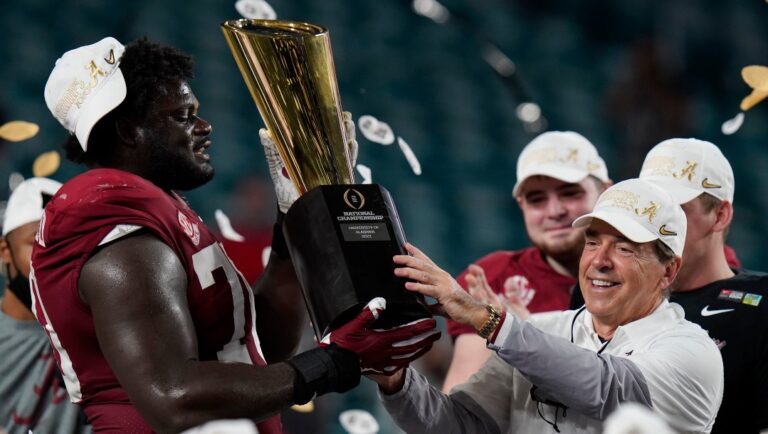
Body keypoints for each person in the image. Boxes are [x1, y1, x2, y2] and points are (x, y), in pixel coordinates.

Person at [32, 37, 439, 433]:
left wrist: (291, 227)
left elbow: (253, 352)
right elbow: (173, 399)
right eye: (183, 116)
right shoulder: (118, 230)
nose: (204, 127)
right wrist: (334, 363)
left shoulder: (157, 210)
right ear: (128, 132)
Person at [375, 178, 724, 433]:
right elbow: (466, 426)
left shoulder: (693, 352)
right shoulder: (539, 331)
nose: (599, 261)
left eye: (624, 248)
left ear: (668, 270)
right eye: (592, 242)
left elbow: (608, 388)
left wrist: (488, 319)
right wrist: (396, 380)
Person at [443, 131, 612, 392]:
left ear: (606, 192)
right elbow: (464, 410)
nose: (555, 211)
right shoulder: (491, 278)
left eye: (570, 193)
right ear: (521, 205)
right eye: (536, 200)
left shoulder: (647, 274)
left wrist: (517, 335)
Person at [639, 138, 768, 434]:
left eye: (675, 208)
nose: (658, 223)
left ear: (720, 215)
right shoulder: (602, 291)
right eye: (650, 207)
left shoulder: (762, 308)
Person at [0, 177, 90, 434]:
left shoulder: (103, 327)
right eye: (36, 242)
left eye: (65, 243)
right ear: (4, 250)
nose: (53, 257)